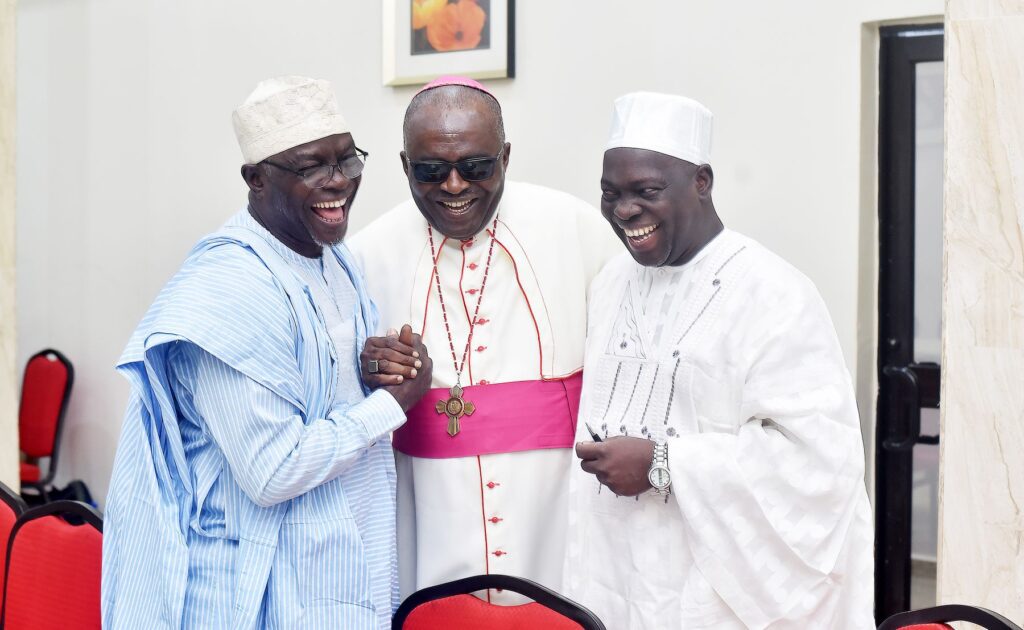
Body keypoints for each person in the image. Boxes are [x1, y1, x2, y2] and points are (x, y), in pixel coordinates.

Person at [101, 76, 431, 629]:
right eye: (311, 168)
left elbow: (318, 390)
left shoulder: (336, 259)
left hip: (329, 571)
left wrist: (371, 369)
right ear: (255, 178)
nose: (339, 183)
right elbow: (272, 470)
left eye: (349, 161)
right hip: (243, 594)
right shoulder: (229, 286)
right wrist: (393, 404)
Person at [564, 91, 874, 629]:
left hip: (715, 587)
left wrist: (663, 465)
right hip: (613, 565)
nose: (624, 210)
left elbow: (820, 460)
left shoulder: (773, 292)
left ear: (702, 182)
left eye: (647, 190)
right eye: (610, 193)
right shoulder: (611, 283)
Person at [349, 76, 620, 603]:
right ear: (405, 167)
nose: (454, 186)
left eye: (476, 167)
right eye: (431, 171)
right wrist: (366, 375)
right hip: (427, 509)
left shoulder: (575, 228)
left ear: (506, 157)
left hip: (551, 504)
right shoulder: (364, 256)